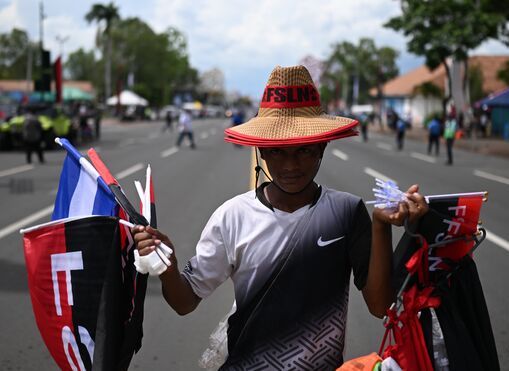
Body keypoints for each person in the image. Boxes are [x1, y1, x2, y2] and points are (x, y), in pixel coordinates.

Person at [131, 65, 428, 369]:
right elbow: (184, 302)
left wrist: (380, 225)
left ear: (322, 147)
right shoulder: (232, 216)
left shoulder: (347, 212)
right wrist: (167, 267)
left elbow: (380, 307)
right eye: (277, 151)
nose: (290, 164)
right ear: (261, 150)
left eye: (304, 151)